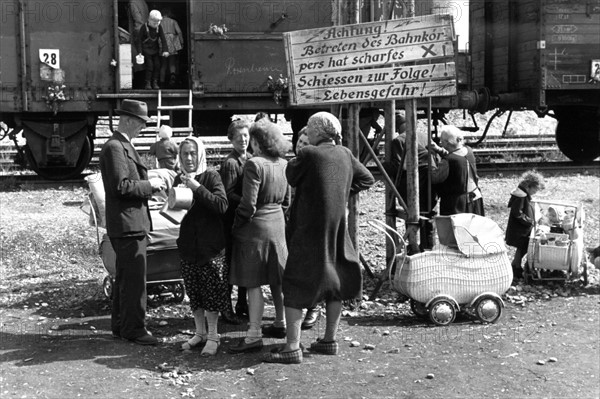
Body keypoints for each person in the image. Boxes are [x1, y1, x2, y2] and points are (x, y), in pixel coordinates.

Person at [264, 112, 375, 364]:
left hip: (308, 229)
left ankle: (292, 347)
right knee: (334, 280)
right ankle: (329, 340)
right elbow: (366, 178)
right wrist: (342, 192)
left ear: (316, 132)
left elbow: (291, 176)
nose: (306, 134)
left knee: (295, 281)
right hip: (336, 227)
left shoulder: (309, 154)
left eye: (309, 130)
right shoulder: (345, 153)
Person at [99, 99, 166, 345]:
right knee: (135, 281)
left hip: (129, 224)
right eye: (140, 123)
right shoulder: (116, 147)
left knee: (125, 279)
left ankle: (121, 326)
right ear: (127, 120)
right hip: (128, 226)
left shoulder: (119, 145)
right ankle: (134, 329)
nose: (142, 128)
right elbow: (121, 186)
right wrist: (152, 185)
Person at [229, 120, 291, 353]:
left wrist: (237, 225)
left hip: (255, 228)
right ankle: (280, 322)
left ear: (256, 142)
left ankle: (254, 333)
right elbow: (287, 202)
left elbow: (248, 205)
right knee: (277, 276)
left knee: (253, 282)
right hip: (277, 225)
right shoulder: (284, 164)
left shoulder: (254, 164)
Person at [175, 137, 229, 356]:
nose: (189, 158)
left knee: (211, 293)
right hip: (189, 245)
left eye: (192, 153)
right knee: (195, 292)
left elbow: (221, 205)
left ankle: (214, 335)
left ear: (200, 155)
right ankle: (200, 332)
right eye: (185, 153)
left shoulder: (211, 176)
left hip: (210, 247)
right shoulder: (179, 179)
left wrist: (197, 187)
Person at [386, 112, 439, 249]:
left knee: (412, 214)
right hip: (431, 182)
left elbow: (399, 166)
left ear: (398, 128)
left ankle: (413, 246)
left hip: (415, 184)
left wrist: (385, 165)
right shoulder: (424, 136)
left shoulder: (399, 140)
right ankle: (428, 247)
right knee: (428, 212)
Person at [220, 119, 252, 323]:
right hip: (232, 221)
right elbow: (228, 194)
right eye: (239, 136)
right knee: (231, 263)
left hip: (244, 220)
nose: (243, 140)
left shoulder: (249, 158)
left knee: (244, 263)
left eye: (246, 136)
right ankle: (226, 307)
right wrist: (249, 202)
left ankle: (242, 302)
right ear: (231, 139)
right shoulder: (231, 163)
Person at [288, 127, 320, 330]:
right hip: (293, 220)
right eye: (299, 142)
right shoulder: (293, 163)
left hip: (311, 221)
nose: (300, 146)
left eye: (305, 144)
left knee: (312, 263)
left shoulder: (317, 166)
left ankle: (314, 305)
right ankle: (300, 305)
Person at [429, 125, 485, 216]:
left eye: (442, 141)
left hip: (457, 205)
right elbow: (456, 155)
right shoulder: (469, 150)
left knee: (456, 229)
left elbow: (435, 178)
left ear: (448, 143)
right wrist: (439, 150)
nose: (440, 143)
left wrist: (430, 158)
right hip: (475, 199)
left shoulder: (448, 160)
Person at [505, 171, 545, 282]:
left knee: (522, 247)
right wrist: (529, 221)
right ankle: (516, 268)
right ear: (528, 186)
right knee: (522, 247)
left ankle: (515, 265)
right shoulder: (521, 197)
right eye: (535, 189)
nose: (536, 192)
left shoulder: (522, 194)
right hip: (520, 229)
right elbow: (517, 213)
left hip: (521, 229)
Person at [136, 9, 168, 90]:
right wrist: (139, 52)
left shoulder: (159, 27)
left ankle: (155, 82)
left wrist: (165, 50)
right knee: (150, 66)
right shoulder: (144, 27)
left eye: (158, 22)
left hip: (155, 50)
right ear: (149, 20)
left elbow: (163, 39)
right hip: (146, 51)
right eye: (154, 22)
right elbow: (139, 40)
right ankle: (148, 83)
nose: (156, 24)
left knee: (157, 66)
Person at [159, 8, 183, 88]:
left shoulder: (159, 22)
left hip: (162, 41)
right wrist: (181, 42)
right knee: (172, 62)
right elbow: (179, 32)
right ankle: (173, 76)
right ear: (169, 14)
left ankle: (161, 83)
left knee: (163, 64)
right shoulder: (173, 21)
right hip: (172, 40)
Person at [128, 0, 149, 89]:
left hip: (137, 33)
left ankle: (139, 84)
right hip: (145, 32)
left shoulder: (133, 3)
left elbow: (138, 20)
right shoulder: (143, 2)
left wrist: (138, 35)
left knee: (137, 58)